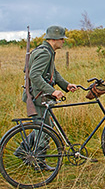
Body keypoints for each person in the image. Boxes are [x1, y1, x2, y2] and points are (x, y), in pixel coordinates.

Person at [15, 25, 78, 170]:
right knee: (45, 129)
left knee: (41, 127)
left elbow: (53, 73)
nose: (63, 41)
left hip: (39, 95)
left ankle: (22, 151)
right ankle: (39, 162)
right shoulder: (45, 53)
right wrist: (53, 91)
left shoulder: (46, 51)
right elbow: (34, 75)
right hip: (38, 97)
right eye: (62, 39)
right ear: (54, 39)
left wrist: (66, 85)